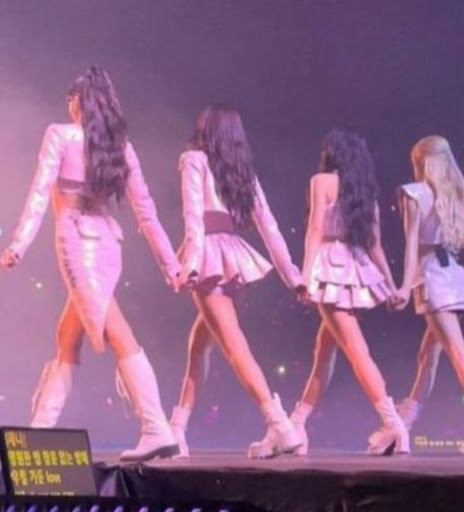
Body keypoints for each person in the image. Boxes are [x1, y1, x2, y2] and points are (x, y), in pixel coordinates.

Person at [0, 66, 181, 462]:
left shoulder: (60, 135)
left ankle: (156, 427)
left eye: (71, 97)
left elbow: (39, 192)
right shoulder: (120, 148)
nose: (68, 103)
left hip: (77, 244)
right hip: (108, 244)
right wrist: (170, 265)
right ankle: (39, 431)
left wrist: (18, 245)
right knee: (67, 335)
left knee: (116, 330)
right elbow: (146, 213)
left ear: (80, 101)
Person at [170, 106, 303, 459]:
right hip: (231, 257)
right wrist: (293, 276)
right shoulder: (242, 173)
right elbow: (270, 228)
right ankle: (177, 429)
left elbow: (193, 218)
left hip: (209, 257)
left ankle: (279, 424)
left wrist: (189, 265)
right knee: (199, 344)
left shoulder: (193, 159)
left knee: (233, 344)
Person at [369, 135, 464, 454]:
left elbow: (411, 247)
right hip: (453, 280)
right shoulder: (455, 196)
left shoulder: (414, 194)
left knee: (459, 355)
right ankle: (400, 427)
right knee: (427, 359)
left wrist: (404, 287)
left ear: (420, 162)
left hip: (433, 282)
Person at [300, 128, 409, 455]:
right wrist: (391, 286)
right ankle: (296, 424)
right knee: (323, 354)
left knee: (355, 350)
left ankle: (394, 424)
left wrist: (304, 276)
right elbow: (375, 246)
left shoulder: (321, 181)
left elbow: (315, 230)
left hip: (330, 267)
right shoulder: (364, 193)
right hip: (354, 267)